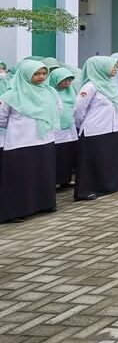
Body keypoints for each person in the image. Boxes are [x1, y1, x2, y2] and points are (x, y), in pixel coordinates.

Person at [0, 60, 62, 223]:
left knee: (43, 173)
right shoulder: (11, 95)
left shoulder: (50, 92)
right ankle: (16, 211)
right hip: (20, 142)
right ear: (26, 74)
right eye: (37, 74)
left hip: (44, 140)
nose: (41, 77)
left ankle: (44, 204)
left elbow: (58, 109)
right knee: (20, 177)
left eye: (43, 73)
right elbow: (1, 118)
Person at [73, 56, 118, 201]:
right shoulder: (90, 86)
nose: (115, 69)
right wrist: (82, 125)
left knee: (110, 159)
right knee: (92, 162)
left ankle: (112, 185)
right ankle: (86, 191)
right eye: (112, 66)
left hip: (112, 128)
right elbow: (78, 110)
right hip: (94, 130)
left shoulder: (110, 84)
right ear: (100, 68)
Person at [50, 67, 79, 190]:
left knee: (68, 153)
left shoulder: (71, 90)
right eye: (64, 80)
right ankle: (55, 180)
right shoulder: (50, 91)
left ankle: (66, 179)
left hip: (70, 125)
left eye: (69, 80)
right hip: (56, 128)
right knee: (57, 154)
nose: (67, 83)